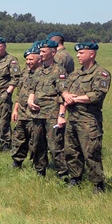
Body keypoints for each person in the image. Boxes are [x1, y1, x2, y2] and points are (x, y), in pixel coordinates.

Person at [60, 42, 110, 193]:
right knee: (71, 151)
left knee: (91, 153)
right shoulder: (75, 75)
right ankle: (75, 178)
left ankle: (98, 184)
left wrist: (74, 99)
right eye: (78, 53)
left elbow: (97, 95)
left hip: (89, 121)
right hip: (73, 118)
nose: (78, 56)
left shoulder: (101, 73)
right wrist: (66, 95)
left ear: (92, 54)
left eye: (81, 53)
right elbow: (63, 89)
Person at [28, 39, 68, 179]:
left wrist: (61, 115)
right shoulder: (38, 71)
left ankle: (63, 174)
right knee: (37, 143)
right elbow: (32, 89)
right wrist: (30, 99)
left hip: (52, 114)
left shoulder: (60, 71)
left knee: (55, 146)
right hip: (37, 113)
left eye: (44, 51)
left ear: (53, 52)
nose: (41, 54)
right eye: (40, 51)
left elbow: (63, 95)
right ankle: (40, 170)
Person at [10, 46, 41, 168]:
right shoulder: (24, 72)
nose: (28, 62)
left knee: (35, 141)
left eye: (31, 59)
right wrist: (15, 109)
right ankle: (17, 162)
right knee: (19, 138)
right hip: (22, 113)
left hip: (35, 114)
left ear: (39, 59)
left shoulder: (42, 74)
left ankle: (37, 164)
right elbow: (19, 93)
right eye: (27, 59)